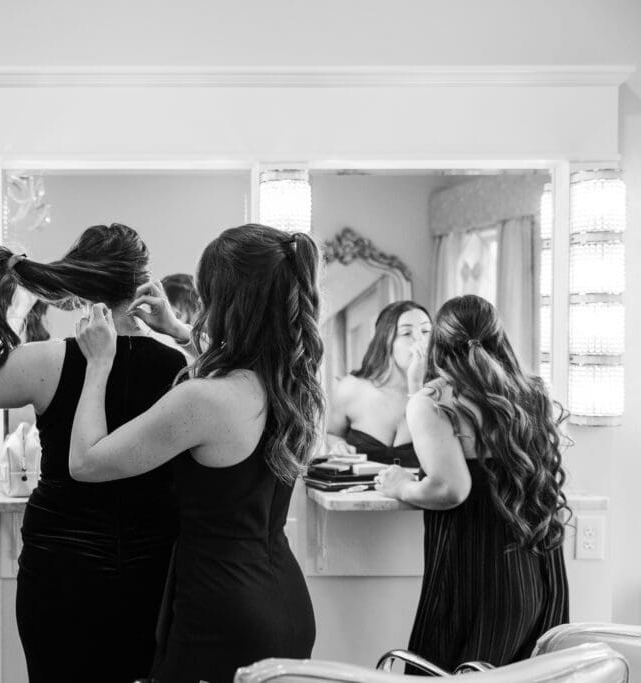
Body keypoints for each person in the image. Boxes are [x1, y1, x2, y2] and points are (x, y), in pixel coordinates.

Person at [0, 224, 185, 683]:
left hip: (60, 569)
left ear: (79, 289)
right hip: (151, 571)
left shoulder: (46, 362)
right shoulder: (177, 367)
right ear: (142, 283)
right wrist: (180, 333)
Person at [70, 224, 320, 683]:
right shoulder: (293, 385)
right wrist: (182, 334)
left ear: (228, 303)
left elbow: (86, 462)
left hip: (220, 614)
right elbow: (235, 376)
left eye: (207, 296)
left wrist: (98, 364)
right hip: (285, 601)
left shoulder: (201, 400)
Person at [375, 294, 570, 671]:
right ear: (499, 338)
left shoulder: (435, 402)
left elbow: (450, 489)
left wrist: (399, 485)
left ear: (439, 344)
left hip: (474, 582)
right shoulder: (529, 393)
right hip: (538, 578)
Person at [325, 301, 432, 467]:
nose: (420, 340)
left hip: (415, 492)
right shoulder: (350, 389)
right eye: (406, 333)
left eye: (426, 331)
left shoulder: (441, 394)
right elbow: (332, 433)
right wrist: (338, 446)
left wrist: (415, 384)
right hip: (357, 491)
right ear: (385, 342)